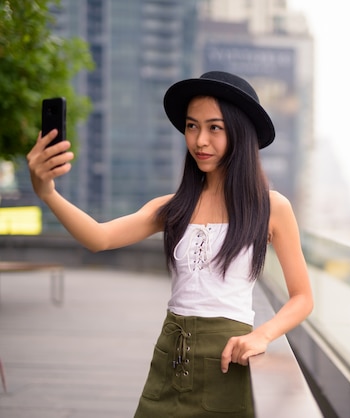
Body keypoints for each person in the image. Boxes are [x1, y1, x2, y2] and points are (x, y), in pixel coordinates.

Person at [27, 71, 313, 417]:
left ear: (240, 133)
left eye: (214, 127)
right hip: (169, 360)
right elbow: (98, 238)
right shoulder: (174, 206)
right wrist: (47, 192)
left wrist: (262, 335)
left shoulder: (271, 207)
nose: (199, 140)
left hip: (228, 365)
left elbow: (302, 297)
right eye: (192, 126)